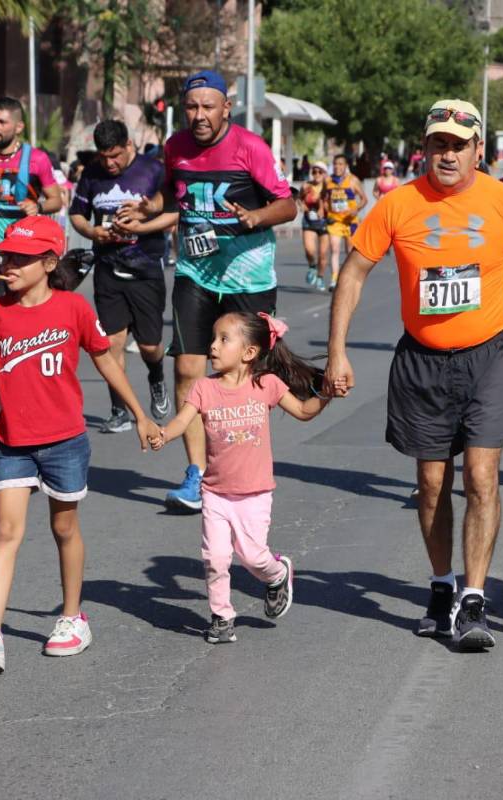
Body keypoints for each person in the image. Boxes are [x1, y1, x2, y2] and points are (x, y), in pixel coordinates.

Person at [325, 99, 503, 651]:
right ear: (424, 148)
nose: (447, 154)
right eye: (438, 144)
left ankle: (474, 600)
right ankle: (441, 585)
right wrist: (337, 351)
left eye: (458, 144)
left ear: (479, 149)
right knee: (431, 486)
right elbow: (353, 274)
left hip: (489, 355)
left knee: (480, 477)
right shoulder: (397, 204)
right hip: (422, 360)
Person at [0, 216, 162, 674]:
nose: (6, 264)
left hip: (65, 441)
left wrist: (141, 414)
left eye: (19, 258)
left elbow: (107, 362)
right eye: (4, 256)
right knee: (6, 532)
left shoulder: (72, 308)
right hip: (11, 442)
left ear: (49, 263)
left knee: (64, 529)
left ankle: (73, 618)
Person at [116, 70, 297, 513]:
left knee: (247, 380)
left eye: (207, 107)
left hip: (249, 279)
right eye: (191, 107)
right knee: (188, 371)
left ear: (225, 109)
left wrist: (256, 218)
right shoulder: (175, 147)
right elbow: (170, 197)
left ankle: (243, 467)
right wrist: (148, 207)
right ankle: (198, 475)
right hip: (195, 273)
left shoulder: (249, 147)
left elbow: (287, 204)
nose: (198, 116)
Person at [155, 312, 331, 643]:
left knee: (252, 557)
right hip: (216, 493)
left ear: (249, 352)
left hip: (255, 493)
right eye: (213, 339)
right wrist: (163, 434)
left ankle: (278, 573)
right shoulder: (204, 388)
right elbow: (183, 420)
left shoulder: (266, 385)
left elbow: (305, 412)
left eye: (224, 339)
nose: (213, 346)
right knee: (216, 558)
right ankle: (222, 616)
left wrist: (326, 394)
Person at [68, 119, 172, 434]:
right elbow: (76, 213)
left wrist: (143, 224)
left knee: (149, 345)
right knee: (111, 342)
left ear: (129, 146)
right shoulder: (92, 175)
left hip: (145, 268)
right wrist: (91, 231)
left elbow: (174, 212)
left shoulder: (153, 171)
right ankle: (120, 410)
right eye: (104, 157)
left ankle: (156, 376)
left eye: (115, 155)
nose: (110, 163)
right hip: (107, 268)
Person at [0, 96, 64, 310]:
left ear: (19, 127)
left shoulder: (37, 159)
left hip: (20, 247)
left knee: (16, 306)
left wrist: (39, 207)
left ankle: (10, 340)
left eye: (2, 122)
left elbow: (57, 200)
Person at [324, 153, 368, 289]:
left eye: (340, 164)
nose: (337, 167)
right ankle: (334, 279)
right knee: (335, 249)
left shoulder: (352, 180)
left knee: (349, 251)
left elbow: (364, 199)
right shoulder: (328, 181)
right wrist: (326, 210)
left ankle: (348, 277)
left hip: (350, 221)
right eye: (335, 164)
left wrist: (356, 209)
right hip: (335, 221)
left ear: (345, 166)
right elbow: (324, 198)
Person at [300, 161, 330, 290]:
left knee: (323, 254)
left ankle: (320, 277)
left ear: (324, 174)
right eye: (314, 172)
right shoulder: (306, 185)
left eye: (320, 172)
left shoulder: (328, 187)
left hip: (325, 222)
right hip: (309, 221)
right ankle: (312, 265)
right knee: (309, 250)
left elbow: (333, 206)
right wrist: (303, 206)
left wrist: (323, 205)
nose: (316, 174)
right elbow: (299, 199)